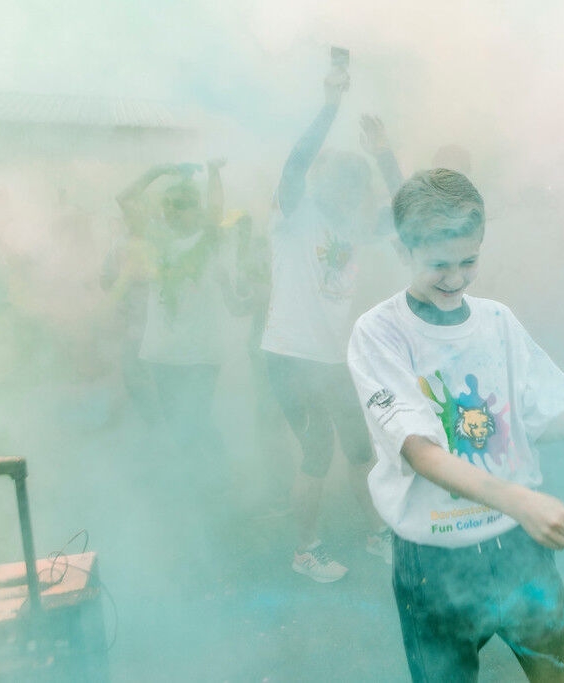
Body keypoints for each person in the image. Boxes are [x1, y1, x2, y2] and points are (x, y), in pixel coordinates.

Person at [347, 169, 564, 682]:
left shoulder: (497, 322)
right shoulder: (380, 333)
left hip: (518, 551)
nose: (456, 278)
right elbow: (420, 451)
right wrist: (523, 500)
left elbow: (537, 419)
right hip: (434, 564)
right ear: (403, 252)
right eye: (438, 264)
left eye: (469, 261)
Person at [260, 62, 402, 582]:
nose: (347, 192)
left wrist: (384, 154)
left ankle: (375, 533)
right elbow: (295, 162)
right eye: (340, 181)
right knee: (317, 451)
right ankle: (305, 550)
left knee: (361, 448)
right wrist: (330, 104)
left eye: (354, 185)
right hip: (291, 355)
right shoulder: (294, 213)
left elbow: (407, 211)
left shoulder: (353, 224)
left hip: (335, 358)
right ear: (323, 181)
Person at [116, 159, 242, 494]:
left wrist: (214, 173)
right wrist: (157, 170)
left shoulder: (210, 237)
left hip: (201, 354)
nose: (172, 211)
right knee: (178, 426)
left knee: (195, 421)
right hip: (162, 353)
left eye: (181, 205)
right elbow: (125, 198)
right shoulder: (157, 238)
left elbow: (216, 209)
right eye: (168, 205)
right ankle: (199, 487)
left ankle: (216, 483)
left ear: (194, 209)